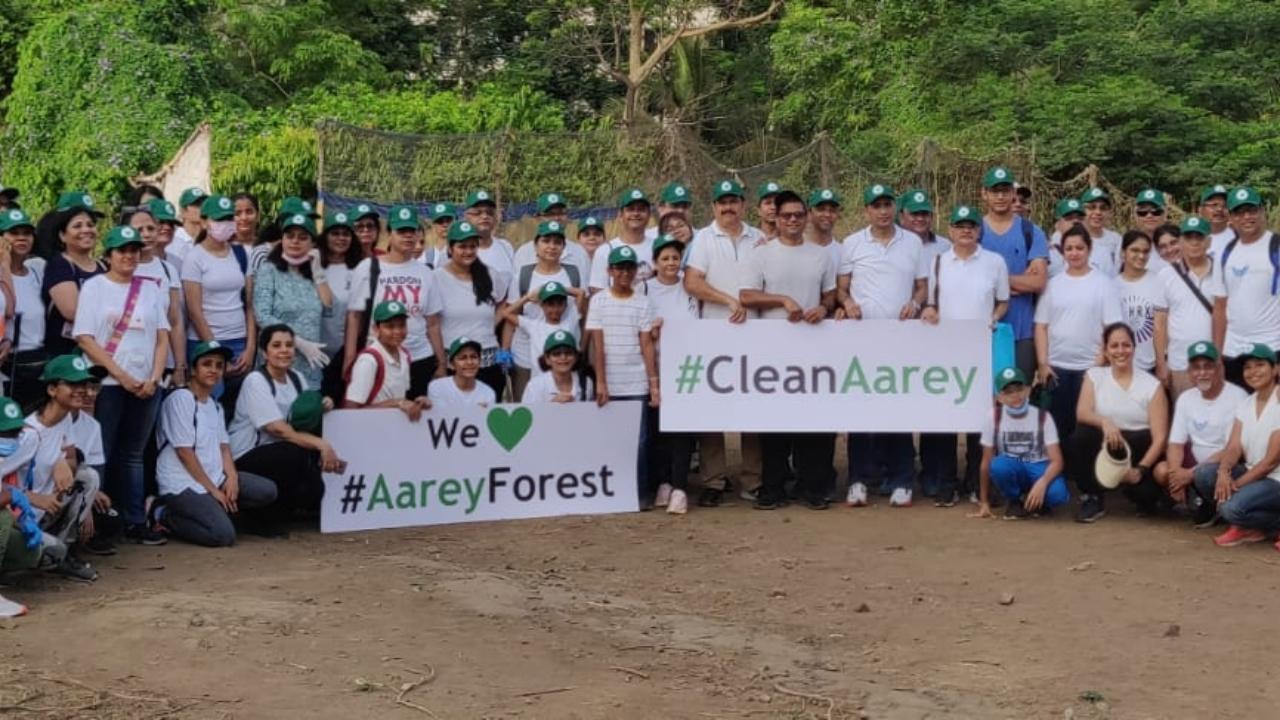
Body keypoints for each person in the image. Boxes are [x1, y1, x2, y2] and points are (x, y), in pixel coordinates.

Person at [739, 190, 837, 510]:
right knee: (775, 424)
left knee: (815, 422)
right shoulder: (761, 254)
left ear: (806, 216)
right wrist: (781, 300)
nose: (793, 220)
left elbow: (830, 295)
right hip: (774, 351)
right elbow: (747, 295)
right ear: (775, 218)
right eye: (786, 216)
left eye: (798, 214)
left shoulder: (821, 255)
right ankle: (774, 487)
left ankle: (813, 487)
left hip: (814, 349)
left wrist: (823, 309)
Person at [74, 226, 170, 543]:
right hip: (107, 384)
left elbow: (162, 337)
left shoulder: (151, 288)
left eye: (133, 250)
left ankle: (134, 521)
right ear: (109, 255)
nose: (128, 256)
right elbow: (85, 338)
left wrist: (154, 378)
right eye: (121, 250)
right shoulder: (94, 287)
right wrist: (123, 377)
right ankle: (96, 525)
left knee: (133, 454)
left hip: (146, 383)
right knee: (99, 452)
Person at [837, 184, 926, 508]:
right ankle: (858, 479)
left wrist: (915, 306)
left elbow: (921, 287)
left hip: (900, 340)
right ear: (866, 211)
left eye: (888, 204)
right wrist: (846, 303)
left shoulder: (913, 242)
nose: (883, 211)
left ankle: (903, 479)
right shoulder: (852, 244)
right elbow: (842, 288)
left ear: (895, 208)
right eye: (876, 205)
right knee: (860, 410)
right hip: (861, 340)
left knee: (898, 409)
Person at [920, 205, 1010, 505]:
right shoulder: (938, 262)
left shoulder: (994, 262)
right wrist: (930, 310)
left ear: (978, 229)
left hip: (981, 349)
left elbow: (1002, 302)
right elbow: (931, 303)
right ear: (951, 229)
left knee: (979, 418)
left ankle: (975, 480)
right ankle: (946, 481)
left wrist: (993, 319)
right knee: (947, 418)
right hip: (946, 351)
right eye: (960, 225)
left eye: (971, 225)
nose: (966, 230)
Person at [683, 180, 765, 506]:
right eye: (722, 202)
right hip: (714, 336)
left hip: (755, 336)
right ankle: (714, 481)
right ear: (714, 206)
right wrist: (728, 300)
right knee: (713, 411)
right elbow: (692, 282)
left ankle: (753, 480)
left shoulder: (759, 238)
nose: (728, 207)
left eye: (734, 201)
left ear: (743, 205)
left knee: (753, 410)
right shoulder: (703, 238)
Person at [153, 340, 278, 546]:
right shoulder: (181, 399)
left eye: (219, 365)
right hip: (181, 483)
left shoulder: (215, 406)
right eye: (207, 364)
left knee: (266, 490)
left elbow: (224, 447)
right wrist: (214, 491)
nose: (214, 370)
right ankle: (163, 514)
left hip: (213, 477)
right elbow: (184, 452)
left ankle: (213, 509)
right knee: (223, 535)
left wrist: (232, 478)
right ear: (193, 369)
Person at [229, 324, 344, 527]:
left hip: (281, 452)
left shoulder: (297, 378)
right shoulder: (256, 380)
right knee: (294, 453)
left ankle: (278, 512)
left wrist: (322, 405)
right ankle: (258, 515)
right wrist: (322, 445)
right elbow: (277, 429)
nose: (284, 350)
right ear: (265, 352)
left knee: (314, 491)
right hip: (247, 453)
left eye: (289, 345)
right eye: (276, 345)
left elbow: (304, 419)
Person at [1068, 322, 1170, 523]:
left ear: (1134, 348)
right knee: (1080, 436)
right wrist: (1105, 422)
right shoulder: (1094, 376)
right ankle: (1092, 495)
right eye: (1114, 346)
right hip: (1107, 443)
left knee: (1146, 496)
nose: (1120, 351)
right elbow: (1082, 412)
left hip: (1140, 447)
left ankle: (1141, 495)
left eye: (1126, 345)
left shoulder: (1152, 385)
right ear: (1105, 351)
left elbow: (1160, 439)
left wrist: (1140, 469)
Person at [345, 204, 447, 400]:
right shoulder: (367, 268)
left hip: (419, 358)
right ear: (389, 234)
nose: (408, 236)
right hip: (380, 360)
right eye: (401, 231)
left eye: (412, 231)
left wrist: (441, 363)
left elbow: (433, 322)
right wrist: (350, 359)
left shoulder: (426, 273)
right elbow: (354, 316)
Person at [1034, 223, 1123, 439]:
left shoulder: (1104, 284)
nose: (1074, 253)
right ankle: (1060, 471)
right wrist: (1043, 364)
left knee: (1086, 430)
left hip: (1090, 368)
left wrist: (1099, 363)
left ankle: (1084, 473)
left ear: (1089, 249)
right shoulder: (1053, 284)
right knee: (1057, 428)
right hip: (1057, 369)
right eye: (1069, 248)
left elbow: (1111, 328)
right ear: (1062, 252)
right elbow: (1041, 326)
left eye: (1079, 248)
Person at [24, 355, 110, 579]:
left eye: (83, 383)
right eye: (72, 384)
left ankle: (61, 553)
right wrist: (33, 497)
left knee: (88, 477)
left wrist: (62, 462)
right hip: (20, 518)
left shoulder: (64, 420)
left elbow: (71, 461)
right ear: (52, 389)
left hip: (47, 510)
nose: (82, 389)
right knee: (33, 561)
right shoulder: (27, 432)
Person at [586, 245, 659, 505]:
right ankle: (611, 491)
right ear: (610, 270)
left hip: (636, 380)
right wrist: (602, 382)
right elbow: (598, 345)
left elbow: (646, 345)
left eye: (630, 268)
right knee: (610, 440)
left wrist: (653, 383)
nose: (625, 273)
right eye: (620, 268)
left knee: (639, 441)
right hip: (611, 382)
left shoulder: (643, 302)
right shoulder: (598, 301)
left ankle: (637, 493)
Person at [1189, 343, 1280, 548]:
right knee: (1204, 475)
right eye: (1247, 367)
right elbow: (1233, 447)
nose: (1252, 371)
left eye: (1260, 365)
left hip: (1276, 479)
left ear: (1275, 369)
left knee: (1231, 508)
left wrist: (1235, 486)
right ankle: (1249, 524)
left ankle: (1255, 522)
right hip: (1255, 474)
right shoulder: (1247, 403)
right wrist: (1223, 472)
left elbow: (1271, 462)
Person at [1155, 342, 1246, 522]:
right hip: (1195, 463)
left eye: (1208, 367)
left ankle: (1211, 505)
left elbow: (1232, 448)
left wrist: (1190, 474)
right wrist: (1175, 478)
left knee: (1204, 475)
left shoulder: (1238, 397)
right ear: (1189, 372)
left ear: (1219, 368)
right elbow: (1175, 444)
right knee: (1161, 470)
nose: (1202, 373)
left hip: (1224, 467)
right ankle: (1196, 499)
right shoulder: (1186, 398)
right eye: (1196, 368)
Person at [182, 195, 255, 410]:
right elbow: (194, 311)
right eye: (218, 220)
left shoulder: (240, 254)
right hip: (205, 344)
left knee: (238, 408)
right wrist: (216, 354)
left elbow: (249, 305)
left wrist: (250, 347)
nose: (225, 225)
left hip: (239, 342)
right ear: (204, 222)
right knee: (208, 405)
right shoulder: (194, 258)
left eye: (228, 219)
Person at [973, 368, 1070, 520]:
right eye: (1008, 392)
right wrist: (984, 502)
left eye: (1019, 389)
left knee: (1058, 495)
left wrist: (1043, 483)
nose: (1015, 395)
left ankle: (1040, 501)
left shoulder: (1042, 417)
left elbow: (1057, 461)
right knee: (998, 466)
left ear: (1027, 390)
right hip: (1013, 465)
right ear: (999, 397)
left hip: (1039, 466)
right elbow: (986, 462)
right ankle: (1014, 499)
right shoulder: (994, 417)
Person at [980, 167, 1049, 377]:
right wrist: (1017, 282)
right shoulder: (974, 231)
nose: (1000, 196)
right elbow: (966, 278)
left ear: (1013, 193)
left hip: (1022, 332)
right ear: (984, 194)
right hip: (981, 331)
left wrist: (997, 282)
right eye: (994, 191)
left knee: (1020, 399)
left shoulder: (1031, 232)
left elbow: (1038, 282)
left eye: (1005, 190)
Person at [503, 220, 584, 399]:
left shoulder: (573, 274)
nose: (551, 246)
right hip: (526, 356)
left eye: (557, 242)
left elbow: (582, 304)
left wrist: (562, 288)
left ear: (564, 247)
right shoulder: (523, 277)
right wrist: (505, 350)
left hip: (565, 356)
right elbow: (510, 316)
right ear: (536, 245)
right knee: (527, 409)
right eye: (546, 241)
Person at [253, 213, 332, 389]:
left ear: (312, 244)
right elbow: (262, 315)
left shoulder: (314, 273)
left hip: (310, 363)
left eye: (303, 238)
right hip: (278, 360)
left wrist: (318, 271)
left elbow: (328, 307)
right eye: (290, 236)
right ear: (282, 240)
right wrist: (298, 343)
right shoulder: (269, 270)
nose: (295, 241)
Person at [645, 234, 695, 515]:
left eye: (675, 258)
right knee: (658, 431)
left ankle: (680, 486)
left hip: (686, 371)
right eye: (665, 258)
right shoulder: (645, 289)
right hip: (655, 369)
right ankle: (662, 482)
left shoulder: (689, 287)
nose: (671, 263)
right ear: (655, 262)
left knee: (682, 431)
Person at [1210, 186, 1279, 388]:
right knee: (1240, 414)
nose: (1247, 217)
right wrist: (1217, 354)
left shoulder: (1276, 246)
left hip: (1272, 348)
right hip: (1234, 352)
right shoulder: (1225, 253)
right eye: (1240, 212)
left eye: (1252, 210)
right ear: (1231, 217)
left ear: (1261, 211)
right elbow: (1220, 308)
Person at [435, 220, 510, 398]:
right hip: (453, 361)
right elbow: (432, 320)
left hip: (487, 360)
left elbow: (503, 302)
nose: (468, 251)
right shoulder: (436, 278)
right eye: (462, 246)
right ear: (450, 248)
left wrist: (490, 324)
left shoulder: (490, 274)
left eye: (472, 246)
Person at [127, 202, 187, 387]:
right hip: (125, 362)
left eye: (151, 228)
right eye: (140, 229)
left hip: (162, 364)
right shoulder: (120, 269)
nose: (146, 234)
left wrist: (179, 366)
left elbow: (175, 322)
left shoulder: (168, 270)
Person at [1158, 217, 1219, 398]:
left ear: (1208, 241)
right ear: (1181, 241)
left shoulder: (1222, 272)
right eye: (1188, 237)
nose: (1194, 243)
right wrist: (1162, 363)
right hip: (1180, 364)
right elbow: (1160, 323)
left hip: (1214, 361)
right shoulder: (1165, 275)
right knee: (1183, 417)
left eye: (1199, 237)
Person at [42, 192, 105, 357]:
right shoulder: (59, 266)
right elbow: (72, 312)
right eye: (77, 226)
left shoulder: (103, 266)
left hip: (101, 354)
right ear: (62, 235)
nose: (86, 230)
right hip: (66, 356)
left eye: (90, 225)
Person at [344, 301, 432, 420]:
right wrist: (395, 403)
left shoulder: (404, 355)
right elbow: (350, 411)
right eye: (390, 326)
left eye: (402, 325)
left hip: (392, 429)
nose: (397, 331)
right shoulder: (368, 361)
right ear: (376, 329)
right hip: (370, 430)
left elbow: (400, 397)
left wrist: (417, 404)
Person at [501, 281, 580, 400]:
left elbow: (581, 293)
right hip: (540, 386)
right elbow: (506, 313)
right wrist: (527, 297)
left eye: (559, 304)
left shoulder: (570, 321)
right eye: (550, 304)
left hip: (566, 383)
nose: (555, 309)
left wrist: (558, 287)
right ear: (541, 305)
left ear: (565, 305)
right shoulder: (533, 326)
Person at [3, 208, 49, 409]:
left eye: (26, 233)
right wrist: (4, 263)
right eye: (14, 233)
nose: (21, 238)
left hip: (36, 362)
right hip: (8, 364)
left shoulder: (37, 270)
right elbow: (9, 310)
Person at [318, 208, 362, 402]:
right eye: (335, 233)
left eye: (346, 234)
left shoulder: (360, 269)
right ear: (325, 236)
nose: (341, 238)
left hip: (346, 354)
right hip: (314, 353)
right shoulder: (313, 267)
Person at [1114, 230, 1168, 377]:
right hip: (1120, 364)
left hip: (1152, 364)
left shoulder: (1159, 282)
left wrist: (1161, 362)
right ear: (1123, 252)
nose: (1141, 256)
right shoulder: (1111, 286)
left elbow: (1162, 324)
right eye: (1135, 250)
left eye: (1145, 251)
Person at [590, 188, 657, 292]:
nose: (636, 213)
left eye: (641, 209)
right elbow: (598, 293)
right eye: (631, 209)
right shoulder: (605, 251)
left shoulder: (659, 247)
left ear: (649, 215)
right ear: (620, 215)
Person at [514, 192, 591, 279]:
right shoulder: (524, 253)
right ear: (538, 218)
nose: (556, 218)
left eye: (561, 213)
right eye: (550, 214)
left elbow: (585, 289)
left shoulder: (579, 252)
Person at [523, 330, 594, 404]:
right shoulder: (535, 386)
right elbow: (527, 414)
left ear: (576, 357)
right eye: (556, 354)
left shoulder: (587, 382)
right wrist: (553, 405)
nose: (563, 357)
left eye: (568, 353)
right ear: (547, 359)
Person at [428, 336, 498, 408]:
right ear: (452, 364)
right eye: (463, 358)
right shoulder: (437, 387)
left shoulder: (488, 393)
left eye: (473, 357)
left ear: (479, 362)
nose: (469, 362)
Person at [462, 189, 515, 279]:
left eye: (489, 212)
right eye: (478, 213)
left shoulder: (506, 247)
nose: (484, 216)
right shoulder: (456, 251)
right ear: (466, 217)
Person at [898, 189, 952, 273]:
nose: (920, 218)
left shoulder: (945, 247)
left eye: (924, 213)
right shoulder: (893, 246)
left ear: (931, 216)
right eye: (914, 214)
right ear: (901, 217)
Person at [1079, 186, 1122, 277]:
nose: (1098, 212)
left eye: (1103, 208)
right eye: (1091, 207)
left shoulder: (1116, 239)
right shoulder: (1073, 238)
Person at [169, 186, 208, 268]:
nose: (202, 207)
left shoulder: (210, 238)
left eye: (205, 203)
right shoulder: (173, 240)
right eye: (197, 205)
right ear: (183, 211)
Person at [1132, 189, 1170, 270]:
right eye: (1143, 212)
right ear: (1135, 216)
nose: (1149, 216)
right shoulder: (1125, 246)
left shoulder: (1177, 246)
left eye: (1156, 211)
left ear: (1165, 213)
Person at [807, 189, 845, 271]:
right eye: (821, 209)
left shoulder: (843, 252)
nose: (827, 214)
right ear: (809, 213)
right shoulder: (797, 248)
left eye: (832, 210)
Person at [1047, 197, 1085, 277]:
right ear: (1057, 224)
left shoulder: (1099, 250)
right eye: (1069, 218)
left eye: (1080, 218)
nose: (1076, 221)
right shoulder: (1047, 252)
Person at [1198, 184, 1234, 255]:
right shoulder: (1188, 239)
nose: (1219, 209)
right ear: (1200, 210)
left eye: (1225, 206)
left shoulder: (1240, 238)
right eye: (1214, 205)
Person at [419, 202, 455, 269]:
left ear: (454, 221)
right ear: (433, 224)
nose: (445, 225)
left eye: (448, 221)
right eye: (440, 221)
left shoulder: (463, 248)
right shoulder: (423, 250)